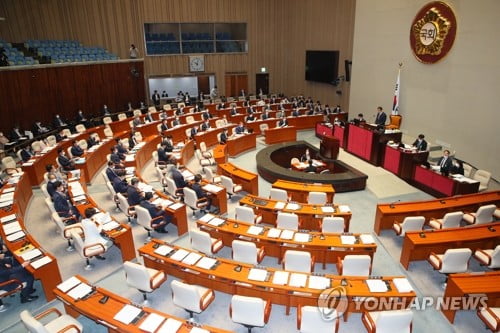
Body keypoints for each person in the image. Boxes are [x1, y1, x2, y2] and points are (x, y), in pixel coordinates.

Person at [0, 237, 38, 303]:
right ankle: (24, 297)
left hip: (6, 276)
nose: (2, 253)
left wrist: (4, 263)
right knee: (28, 277)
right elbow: (9, 271)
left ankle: (29, 289)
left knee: (26, 272)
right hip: (5, 283)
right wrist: (23, 265)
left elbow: (5, 266)